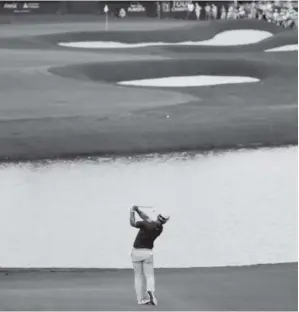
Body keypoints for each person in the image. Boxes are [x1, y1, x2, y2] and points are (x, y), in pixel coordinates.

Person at [130, 205, 170, 306]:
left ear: (158, 216)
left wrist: (132, 212)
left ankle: (141, 299)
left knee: (138, 276)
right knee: (149, 275)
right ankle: (150, 290)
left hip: (136, 252)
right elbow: (146, 218)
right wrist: (138, 210)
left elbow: (132, 223)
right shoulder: (160, 228)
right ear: (165, 221)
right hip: (148, 253)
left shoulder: (146, 224)